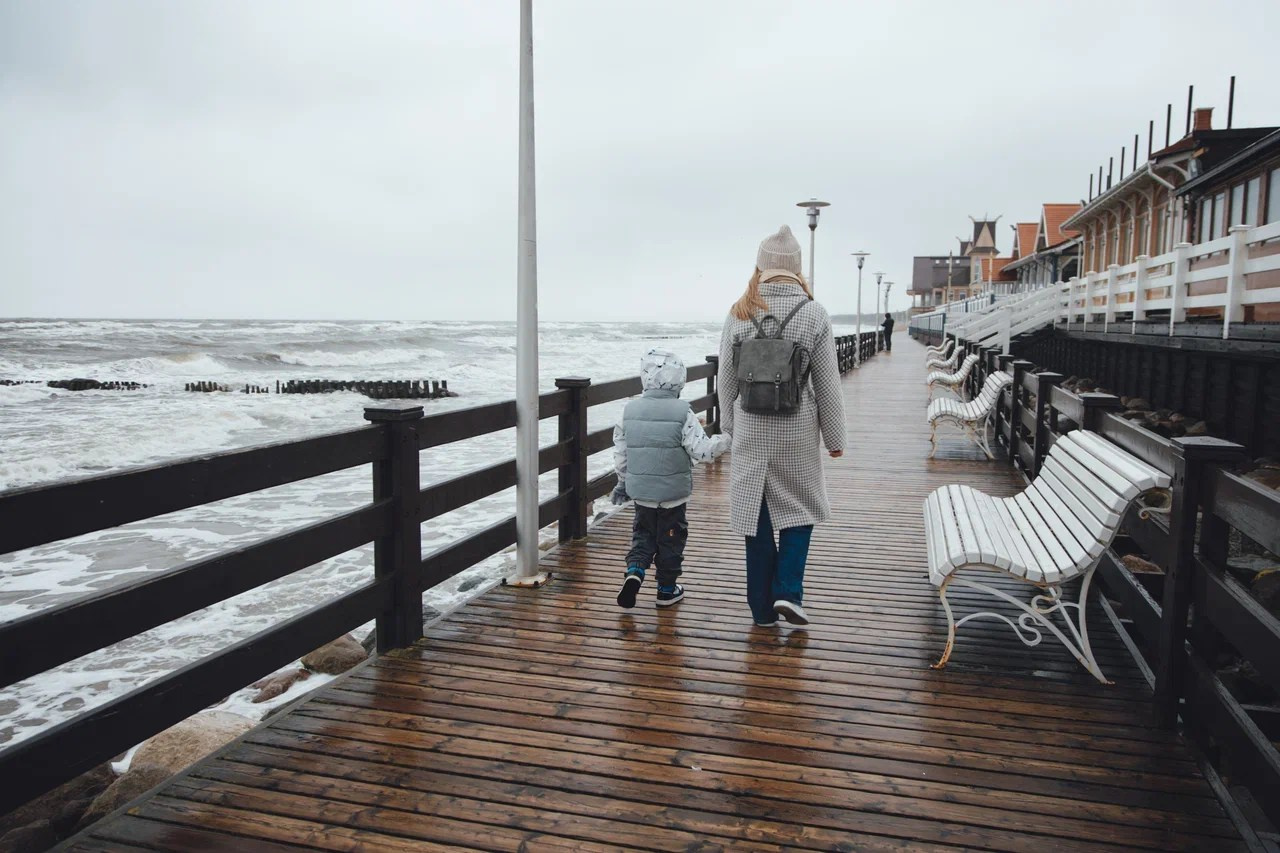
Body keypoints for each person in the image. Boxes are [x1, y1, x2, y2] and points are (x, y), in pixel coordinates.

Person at [717, 225, 846, 627]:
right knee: (800, 509)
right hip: (797, 431)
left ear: (761, 266)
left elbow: (725, 380)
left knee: (756, 518)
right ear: (796, 269)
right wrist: (835, 437)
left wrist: (731, 428)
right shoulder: (814, 313)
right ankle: (788, 592)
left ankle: (761, 609)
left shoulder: (740, 312)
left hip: (753, 430)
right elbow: (828, 382)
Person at [611, 349, 729, 609]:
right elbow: (703, 451)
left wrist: (624, 482)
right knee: (671, 539)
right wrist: (725, 439)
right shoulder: (682, 412)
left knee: (642, 535)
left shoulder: (628, 411)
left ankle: (635, 571)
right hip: (673, 495)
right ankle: (666, 590)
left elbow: (621, 454)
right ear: (680, 378)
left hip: (642, 493)